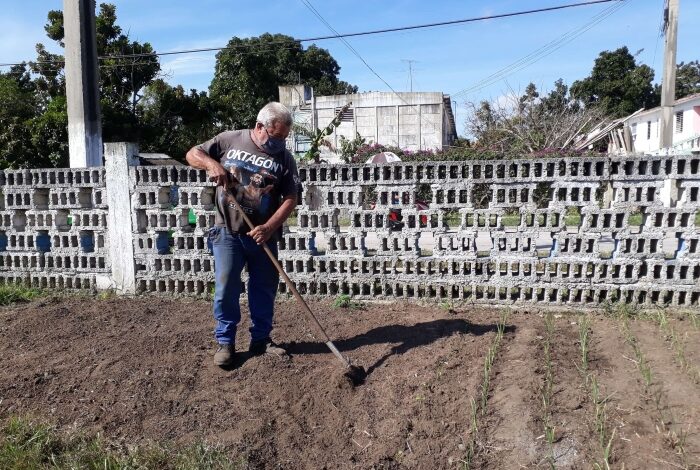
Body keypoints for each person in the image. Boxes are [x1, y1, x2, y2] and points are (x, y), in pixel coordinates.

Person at [185, 102, 299, 368]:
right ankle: (225, 343)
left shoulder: (284, 158)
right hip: (227, 232)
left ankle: (261, 340)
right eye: (277, 136)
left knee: (264, 289)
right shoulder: (229, 140)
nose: (281, 143)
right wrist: (212, 164)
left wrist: (269, 227)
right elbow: (193, 154)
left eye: (284, 138)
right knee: (226, 288)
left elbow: (291, 197)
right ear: (260, 127)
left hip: (263, 236)